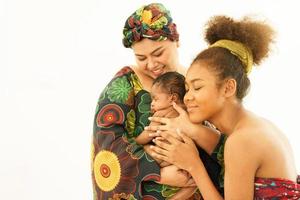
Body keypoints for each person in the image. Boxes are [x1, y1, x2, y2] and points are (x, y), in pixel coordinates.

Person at [149, 15, 300, 199]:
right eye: (187, 89)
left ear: (228, 88)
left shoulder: (242, 140)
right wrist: (189, 129)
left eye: (197, 87)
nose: (187, 97)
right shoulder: (255, 127)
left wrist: (193, 165)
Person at [91, 3, 224, 200]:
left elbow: (229, 139)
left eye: (158, 53)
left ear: (176, 40)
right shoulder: (125, 85)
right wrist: (159, 173)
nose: (152, 64)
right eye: (141, 57)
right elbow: (107, 148)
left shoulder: (197, 81)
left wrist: (193, 163)